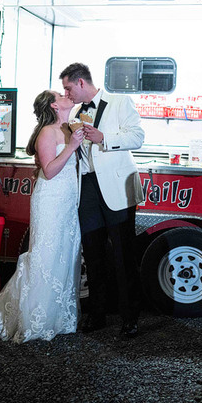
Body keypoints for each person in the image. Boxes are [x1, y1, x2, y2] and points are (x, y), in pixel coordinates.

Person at [0, 90, 85, 343]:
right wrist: (72, 146)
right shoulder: (47, 132)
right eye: (60, 95)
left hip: (66, 203)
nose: (67, 95)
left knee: (65, 254)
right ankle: (34, 319)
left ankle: (58, 317)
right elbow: (50, 171)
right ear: (54, 105)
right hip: (50, 201)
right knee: (45, 255)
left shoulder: (68, 128)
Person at [60, 62, 145, 338]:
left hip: (116, 188)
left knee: (123, 255)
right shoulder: (75, 112)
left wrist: (104, 137)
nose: (67, 93)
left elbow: (138, 137)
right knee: (93, 255)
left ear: (81, 83)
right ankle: (96, 314)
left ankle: (130, 318)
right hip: (87, 188)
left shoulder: (120, 101)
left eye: (68, 88)